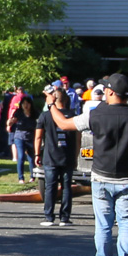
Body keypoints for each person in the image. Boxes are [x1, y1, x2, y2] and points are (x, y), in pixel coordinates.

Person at [46, 74, 128, 256]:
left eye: (105, 90)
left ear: (111, 92)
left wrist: (51, 105)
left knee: (103, 223)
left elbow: (65, 124)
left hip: (101, 177)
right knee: (127, 223)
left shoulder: (95, 115)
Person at [35, 86, 76, 226]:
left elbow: (38, 137)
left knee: (50, 187)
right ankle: (65, 217)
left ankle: (49, 216)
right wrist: (75, 155)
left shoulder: (45, 116)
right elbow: (78, 137)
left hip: (50, 156)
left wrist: (37, 153)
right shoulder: (72, 115)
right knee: (66, 187)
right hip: (68, 156)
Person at [7, 89, 37, 183]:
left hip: (30, 136)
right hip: (19, 136)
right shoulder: (18, 113)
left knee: (31, 158)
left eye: (27, 103)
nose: (26, 105)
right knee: (21, 156)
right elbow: (10, 122)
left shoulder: (35, 113)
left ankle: (33, 176)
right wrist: (10, 122)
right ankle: (21, 178)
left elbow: (39, 124)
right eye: (24, 103)